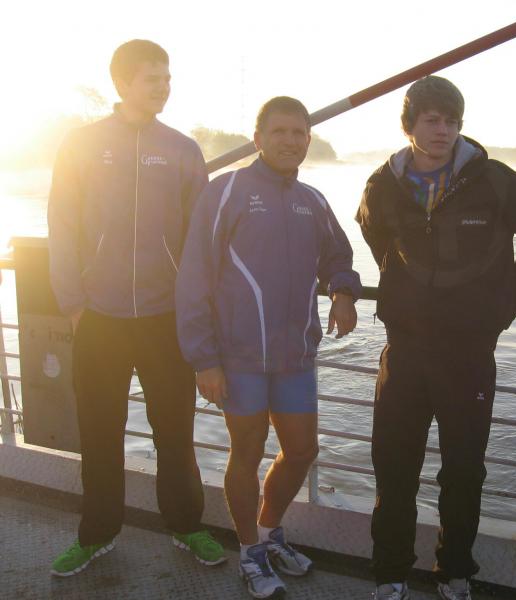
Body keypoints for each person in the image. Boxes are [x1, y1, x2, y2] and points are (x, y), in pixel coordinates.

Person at [356, 75, 516, 600]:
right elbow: (373, 231)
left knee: (464, 471)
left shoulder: (492, 179)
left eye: (452, 121)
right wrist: (404, 288)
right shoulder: (383, 184)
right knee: (394, 467)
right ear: (410, 125)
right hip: (404, 352)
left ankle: (454, 572)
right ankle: (390, 574)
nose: (443, 130)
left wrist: (509, 296)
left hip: (468, 352)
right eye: (432, 120)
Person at [47, 40, 225, 576]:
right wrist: (74, 305)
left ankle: (187, 525)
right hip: (98, 317)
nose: (163, 87)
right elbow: (62, 225)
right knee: (100, 432)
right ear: (122, 82)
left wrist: (197, 310)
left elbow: (199, 238)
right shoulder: (82, 144)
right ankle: (96, 534)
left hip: (164, 318)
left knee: (174, 431)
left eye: (167, 77)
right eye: (152, 78)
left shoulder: (182, 149)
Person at [176, 96, 361, 599]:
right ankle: (249, 552)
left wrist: (343, 291)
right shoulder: (226, 191)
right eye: (279, 132)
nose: (289, 141)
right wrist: (204, 359)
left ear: (308, 140)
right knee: (247, 452)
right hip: (238, 359)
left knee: (301, 451)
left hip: (295, 356)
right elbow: (194, 278)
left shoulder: (312, 200)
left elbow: (338, 254)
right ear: (257, 139)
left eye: (299, 133)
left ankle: (269, 530)